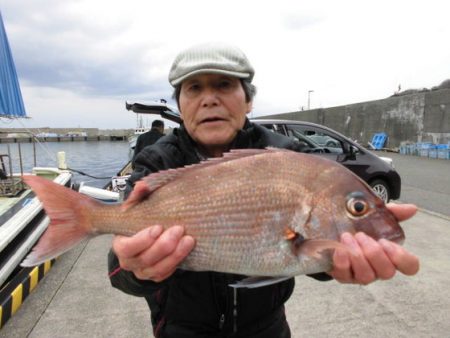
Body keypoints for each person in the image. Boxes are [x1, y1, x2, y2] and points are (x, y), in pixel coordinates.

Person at [108, 43, 419, 338]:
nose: (209, 98)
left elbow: (304, 249)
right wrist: (133, 269)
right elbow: (118, 268)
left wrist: (337, 261)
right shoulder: (156, 161)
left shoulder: (287, 155)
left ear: (249, 99)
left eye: (224, 85)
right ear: (180, 103)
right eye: (194, 88)